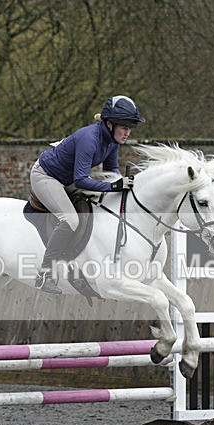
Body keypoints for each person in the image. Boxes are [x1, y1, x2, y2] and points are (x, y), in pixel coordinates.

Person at [30, 95, 146, 293]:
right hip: (46, 177)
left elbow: (111, 170)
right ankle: (45, 274)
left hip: (68, 180)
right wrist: (114, 187)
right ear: (110, 124)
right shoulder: (89, 139)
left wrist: (120, 186)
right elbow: (81, 180)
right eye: (124, 127)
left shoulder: (112, 141)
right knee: (71, 221)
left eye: (130, 128)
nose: (127, 132)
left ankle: (80, 265)